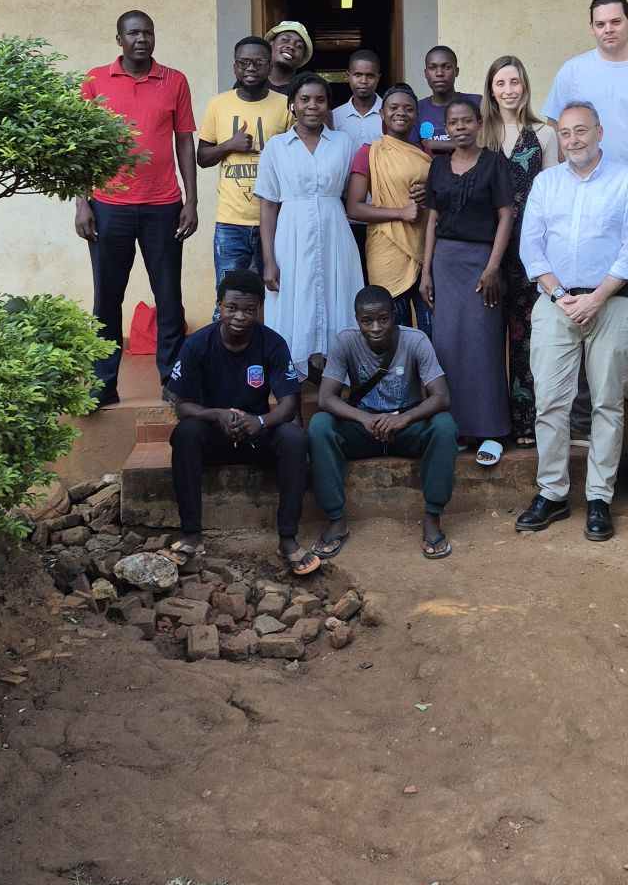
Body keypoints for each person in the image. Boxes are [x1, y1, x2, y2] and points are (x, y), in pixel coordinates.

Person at [516, 100, 628, 542]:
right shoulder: (546, 183)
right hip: (555, 305)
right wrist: (560, 295)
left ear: (599, 133)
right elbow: (531, 248)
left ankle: (599, 499)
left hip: (610, 303)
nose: (573, 140)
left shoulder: (627, 182)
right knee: (550, 402)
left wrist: (596, 297)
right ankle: (552, 494)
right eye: (567, 133)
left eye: (582, 131)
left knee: (607, 403)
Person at [77, 10, 197, 407]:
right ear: (119, 39)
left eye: (147, 32)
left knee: (168, 296)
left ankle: (173, 381)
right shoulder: (95, 81)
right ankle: (103, 383)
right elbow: (82, 146)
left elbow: (184, 142)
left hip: (164, 205)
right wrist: (82, 203)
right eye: (133, 33)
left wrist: (191, 200)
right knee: (106, 298)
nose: (141, 39)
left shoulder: (175, 80)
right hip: (109, 205)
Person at [167, 270, 320, 576]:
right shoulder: (197, 345)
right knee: (185, 433)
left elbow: (289, 404)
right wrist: (217, 414)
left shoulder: (272, 344)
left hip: (255, 436)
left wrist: (260, 421)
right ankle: (191, 536)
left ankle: (287, 539)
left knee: (293, 438)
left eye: (250, 310)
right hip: (214, 433)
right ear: (219, 305)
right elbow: (182, 405)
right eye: (231, 308)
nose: (240, 316)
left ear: (259, 309)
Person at [308, 286, 459, 561]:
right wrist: (364, 418)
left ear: (394, 316)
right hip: (363, 429)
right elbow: (326, 398)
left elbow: (441, 396)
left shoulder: (416, 340)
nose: (375, 327)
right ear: (357, 320)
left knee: (444, 425)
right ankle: (336, 520)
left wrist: (404, 419)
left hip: (406, 427)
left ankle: (433, 518)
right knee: (320, 425)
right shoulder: (345, 341)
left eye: (383, 319)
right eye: (367, 321)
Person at [420, 97, 515, 449]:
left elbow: (506, 214)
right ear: (447, 127)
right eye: (454, 122)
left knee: (483, 343)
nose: (460, 128)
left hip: (481, 264)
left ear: (478, 124)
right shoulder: (439, 166)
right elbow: (432, 219)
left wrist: (492, 266)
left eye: (466, 121)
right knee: (447, 345)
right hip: (445, 263)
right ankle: (455, 428)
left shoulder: (494, 163)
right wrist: (426, 271)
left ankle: (489, 429)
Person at [256, 72, 364, 377]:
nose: (312, 106)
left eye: (320, 100)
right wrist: (268, 260)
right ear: (292, 104)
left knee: (336, 295)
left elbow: (353, 192)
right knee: (296, 298)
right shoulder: (277, 147)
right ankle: (295, 374)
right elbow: (267, 205)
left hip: (335, 233)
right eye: (304, 99)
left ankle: (333, 373)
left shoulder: (343, 143)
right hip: (291, 234)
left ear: (329, 106)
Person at [479, 55, 559, 447]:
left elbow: (552, 196)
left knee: (527, 336)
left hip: (530, 249)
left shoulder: (543, 133)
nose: (508, 90)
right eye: (500, 83)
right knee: (488, 335)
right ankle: (490, 422)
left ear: (525, 86)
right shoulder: (481, 134)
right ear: (490, 89)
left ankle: (527, 421)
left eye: (515, 82)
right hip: (486, 249)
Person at [196, 36, 290, 284]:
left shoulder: (285, 105)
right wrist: (229, 145)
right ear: (234, 65)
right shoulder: (218, 103)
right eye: (243, 62)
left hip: (275, 220)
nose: (250, 68)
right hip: (230, 222)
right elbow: (202, 158)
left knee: (277, 297)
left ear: (270, 67)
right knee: (228, 296)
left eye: (258, 62)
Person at [343, 84, 432, 328]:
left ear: (416, 115)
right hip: (386, 250)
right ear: (382, 114)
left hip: (425, 246)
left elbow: (440, 199)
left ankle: (429, 368)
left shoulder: (426, 152)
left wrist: (428, 194)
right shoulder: (369, 152)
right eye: (393, 108)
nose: (400, 113)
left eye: (408, 109)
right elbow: (354, 208)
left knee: (430, 326)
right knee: (394, 328)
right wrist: (401, 213)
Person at [543, 0, 628, 164]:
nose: (608, 29)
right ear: (591, 28)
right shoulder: (572, 71)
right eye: (600, 24)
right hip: (587, 182)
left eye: (616, 22)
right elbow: (554, 127)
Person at [409, 45, 481, 153]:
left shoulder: (477, 102)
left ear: (456, 71)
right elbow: (412, 149)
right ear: (425, 73)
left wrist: (436, 144)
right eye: (432, 68)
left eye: (447, 67)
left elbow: (485, 142)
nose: (439, 73)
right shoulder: (416, 109)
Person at [332, 48, 384, 148]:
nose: (363, 81)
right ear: (348, 76)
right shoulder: (335, 116)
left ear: (378, 77)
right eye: (358, 75)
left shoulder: (390, 114)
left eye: (370, 76)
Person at [265, 19, 313, 101]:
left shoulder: (305, 92)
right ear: (271, 44)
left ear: (302, 58)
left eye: (299, 46)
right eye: (284, 39)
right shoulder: (252, 84)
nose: (291, 46)